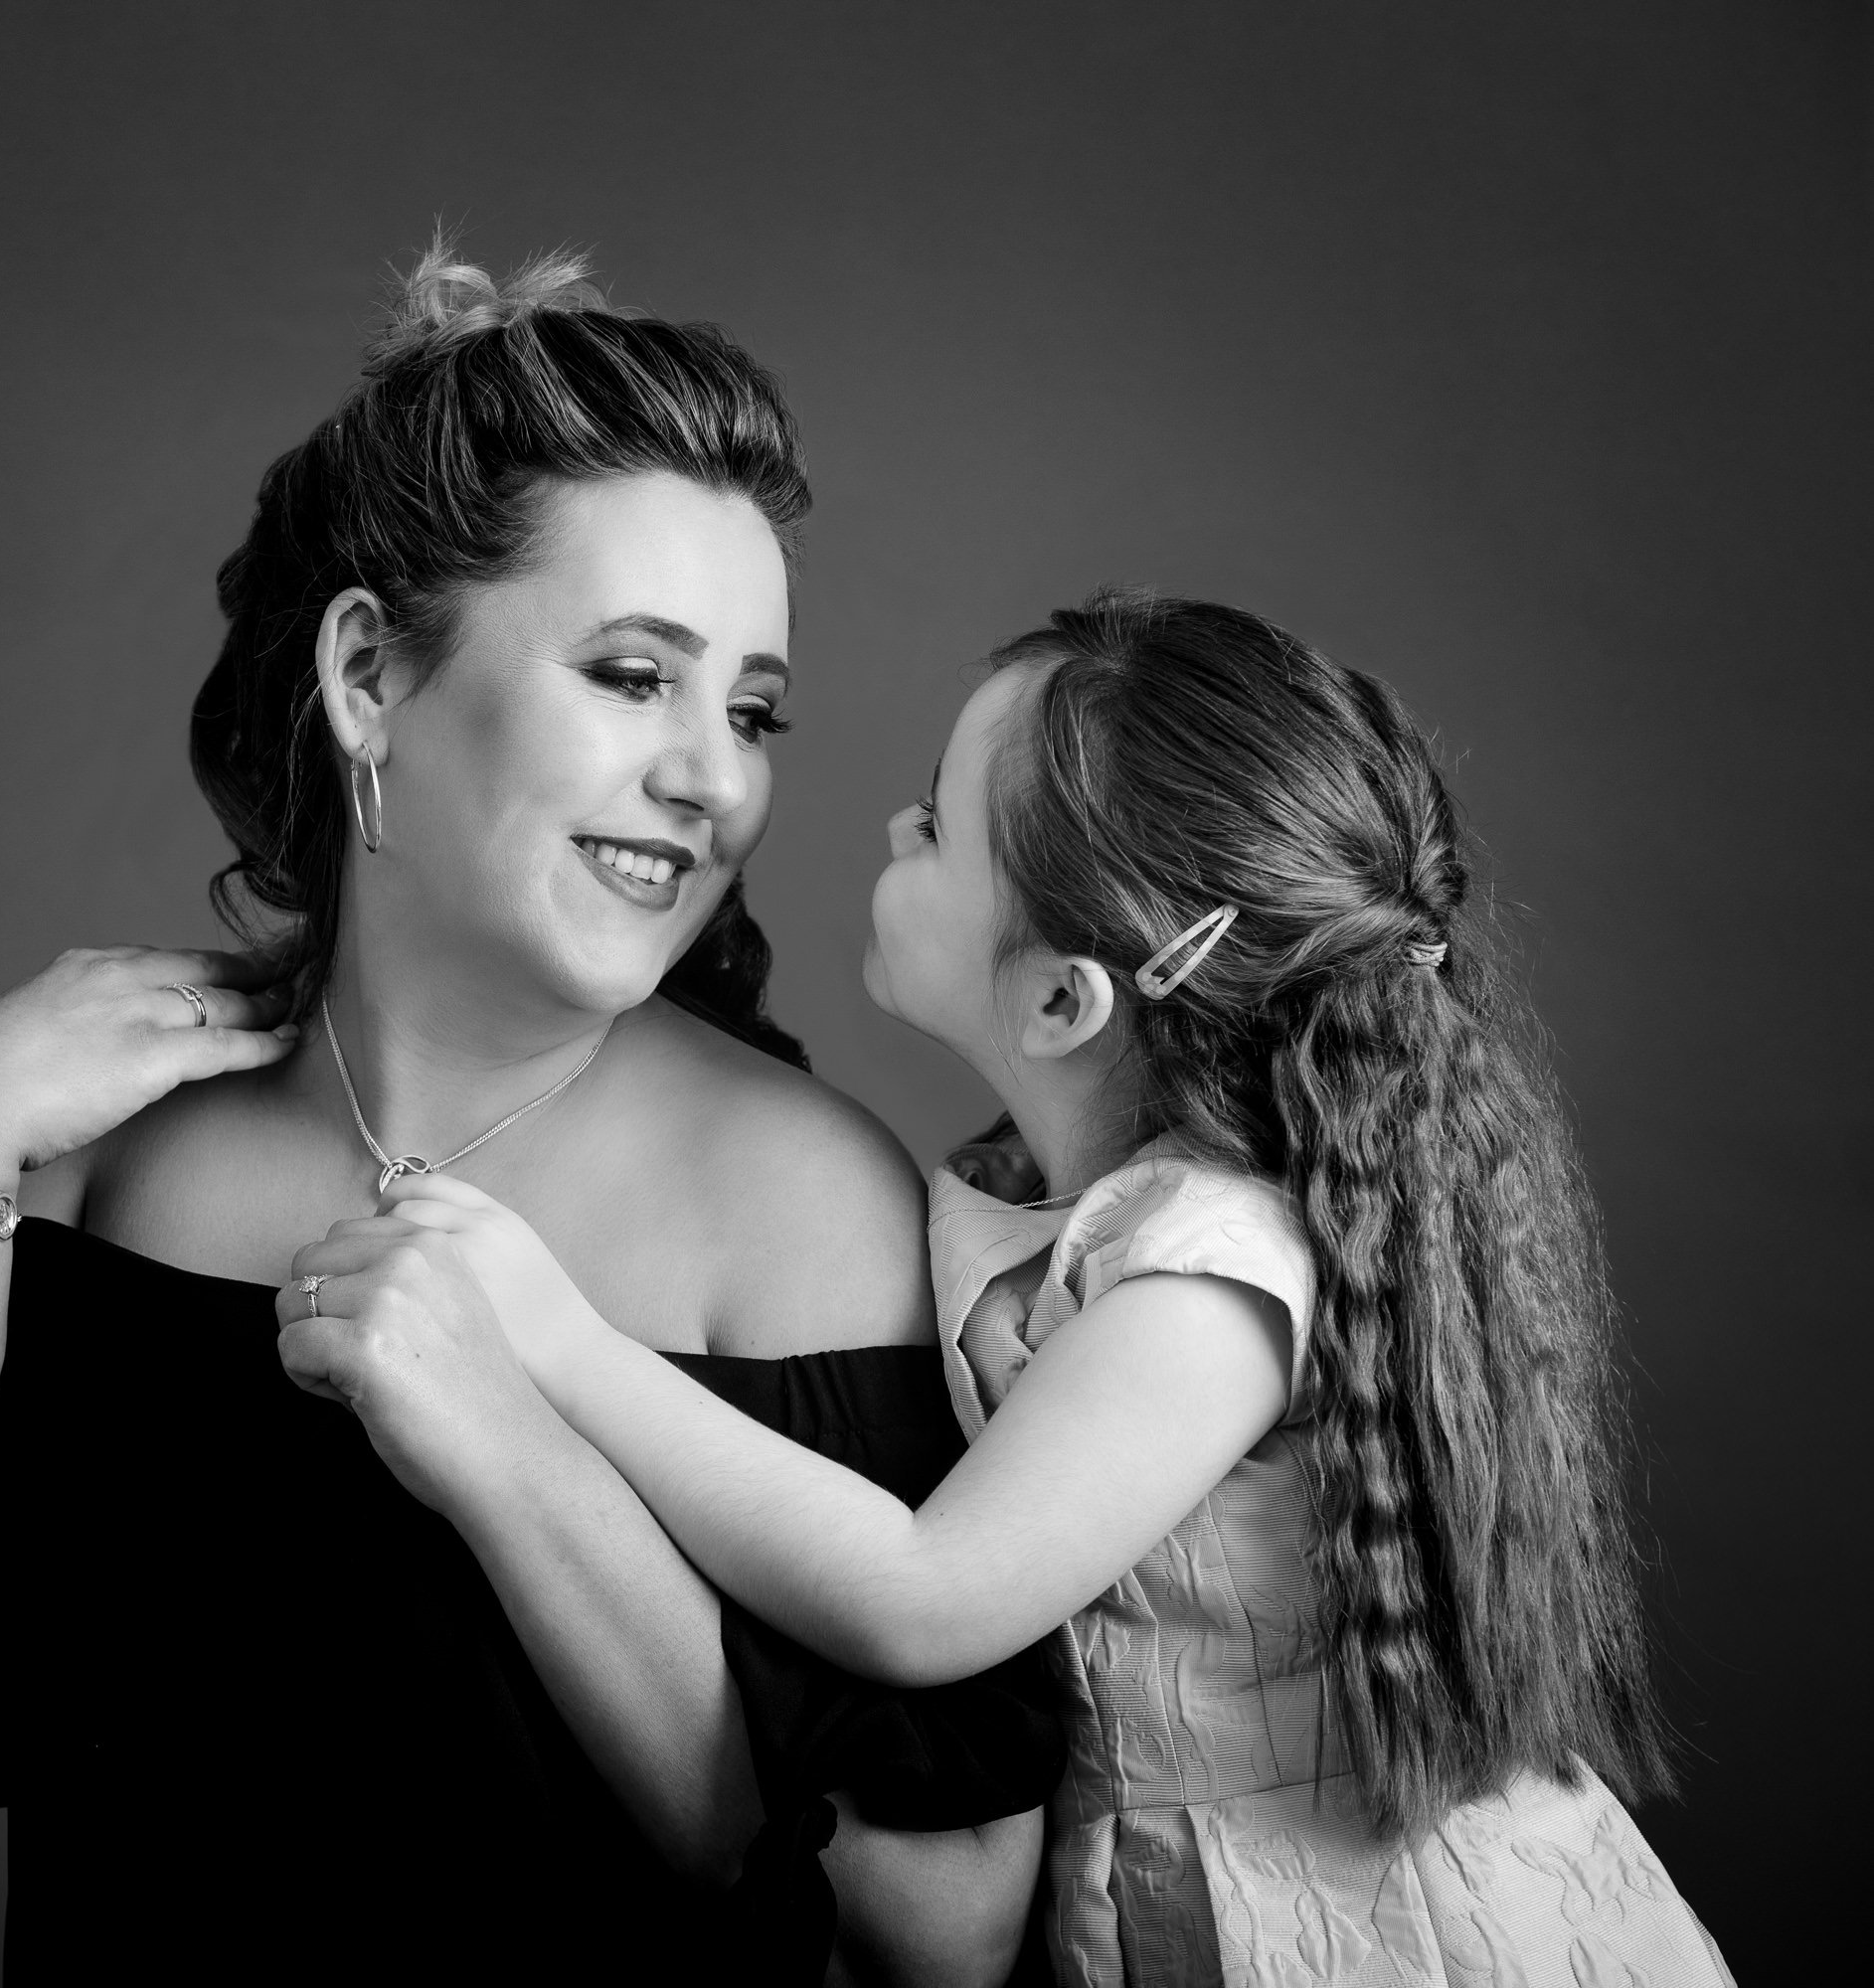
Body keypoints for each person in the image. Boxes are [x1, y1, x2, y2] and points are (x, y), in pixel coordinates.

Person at [0, 244, 1061, 1986]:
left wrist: (517, 1451)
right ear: (368, 677)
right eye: (634, 676)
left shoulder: (806, 1212)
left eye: (752, 709)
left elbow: (939, 1936)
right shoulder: (123, 1152)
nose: (716, 777)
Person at [288, 591, 1734, 1984]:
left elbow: (924, 1598)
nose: (886, 826)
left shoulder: (1209, 1282)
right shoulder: (1056, 1214)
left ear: (1060, 1000)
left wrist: (557, 1340)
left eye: (931, 827)